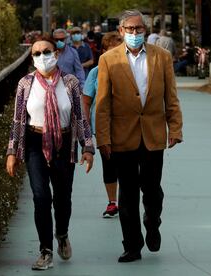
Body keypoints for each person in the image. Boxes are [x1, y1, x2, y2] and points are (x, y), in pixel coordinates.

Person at [96, 9, 183, 263]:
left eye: (139, 29)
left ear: (145, 30)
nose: (135, 33)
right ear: (121, 31)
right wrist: (103, 138)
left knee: (153, 190)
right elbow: (102, 104)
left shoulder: (162, 57)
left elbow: (172, 97)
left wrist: (175, 128)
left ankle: (152, 222)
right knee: (128, 194)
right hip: (122, 136)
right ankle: (132, 244)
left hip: (154, 134)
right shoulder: (108, 60)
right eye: (130, 29)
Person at [6, 36, 95, 271]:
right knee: (41, 198)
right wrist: (12, 151)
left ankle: (62, 233)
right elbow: (18, 120)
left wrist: (87, 148)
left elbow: (80, 116)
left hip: (64, 143)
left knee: (62, 198)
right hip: (35, 142)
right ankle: (45, 250)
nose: (41, 57)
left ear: (56, 54)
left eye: (46, 51)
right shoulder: (25, 84)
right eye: (36, 53)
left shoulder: (70, 82)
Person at [83, 32, 123, 218]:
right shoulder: (96, 72)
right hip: (103, 127)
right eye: (111, 50)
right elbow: (86, 101)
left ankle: (127, 200)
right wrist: (86, 129)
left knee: (127, 165)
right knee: (109, 164)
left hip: (127, 126)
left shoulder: (131, 70)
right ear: (104, 51)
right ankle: (112, 202)